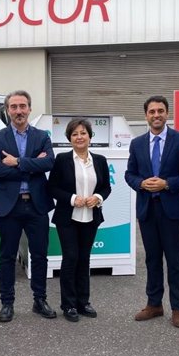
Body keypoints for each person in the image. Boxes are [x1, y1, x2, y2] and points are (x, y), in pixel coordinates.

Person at [0, 90, 56, 322]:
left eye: (23, 106)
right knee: (7, 256)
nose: (18, 111)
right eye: (14, 107)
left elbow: (48, 163)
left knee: (40, 255)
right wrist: (31, 166)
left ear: (29, 108)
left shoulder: (41, 135)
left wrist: (17, 162)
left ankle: (40, 300)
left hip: (37, 206)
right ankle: (7, 303)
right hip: (10, 206)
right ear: (8, 110)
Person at [125, 96, 179, 328]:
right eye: (152, 111)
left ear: (167, 113)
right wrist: (141, 184)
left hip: (171, 210)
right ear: (146, 115)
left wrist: (167, 184)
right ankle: (154, 304)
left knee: (174, 260)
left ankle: (178, 308)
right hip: (147, 210)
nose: (156, 115)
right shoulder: (137, 143)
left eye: (160, 111)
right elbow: (129, 174)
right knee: (152, 259)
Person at [47, 119, 111, 322]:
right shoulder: (62, 159)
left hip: (91, 217)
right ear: (69, 139)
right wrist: (73, 199)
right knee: (71, 257)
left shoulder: (99, 160)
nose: (79, 137)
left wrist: (98, 198)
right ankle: (68, 304)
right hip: (68, 217)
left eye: (83, 133)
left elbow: (106, 187)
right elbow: (52, 187)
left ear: (90, 136)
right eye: (75, 134)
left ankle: (84, 302)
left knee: (84, 259)